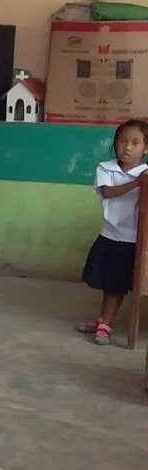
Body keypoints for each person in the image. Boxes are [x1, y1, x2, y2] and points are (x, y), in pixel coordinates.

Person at [77, 119, 148, 345]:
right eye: (122, 141)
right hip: (109, 234)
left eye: (135, 143)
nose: (127, 147)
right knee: (109, 282)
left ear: (145, 148)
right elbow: (107, 192)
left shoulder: (146, 173)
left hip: (132, 239)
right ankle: (103, 319)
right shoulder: (105, 168)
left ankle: (105, 323)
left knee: (116, 284)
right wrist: (135, 184)